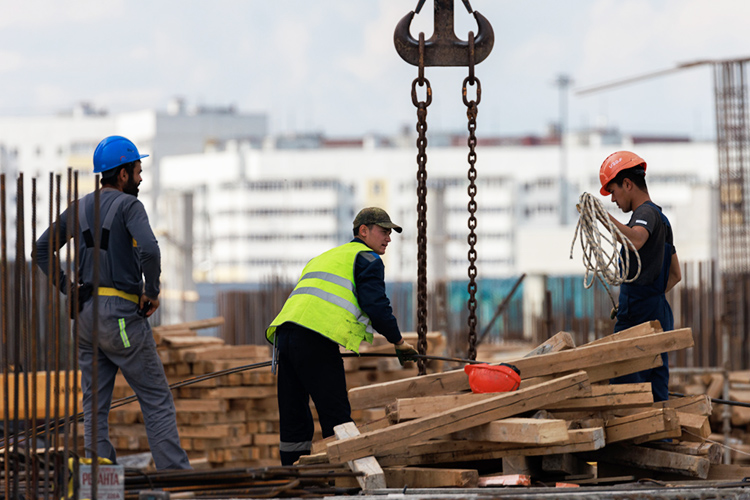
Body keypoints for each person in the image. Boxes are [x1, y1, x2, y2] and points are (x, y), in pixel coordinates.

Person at [35, 135, 191, 470]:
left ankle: (100, 478)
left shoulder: (79, 207)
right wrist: (151, 291)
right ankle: (177, 478)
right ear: (121, 174)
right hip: (120, 315)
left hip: (87, 317)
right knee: (156, 399)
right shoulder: (129, 206)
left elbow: (41, 249)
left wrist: (66, 286)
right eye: (137, 170)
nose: (140, 177)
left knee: (94, 406)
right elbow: (150, 249)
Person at [266, 207, 418, 465]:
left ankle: (293, 479)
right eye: (384, 231)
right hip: (315, 338)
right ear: (363, 231)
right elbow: (376, 306)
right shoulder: (367, 258)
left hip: (285, 336)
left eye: (390, 233)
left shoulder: (325, 257)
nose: (388, 239)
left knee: (294, 417)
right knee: (336, 414)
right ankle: (343, 479)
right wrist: (399, 342)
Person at [598, 150, 681, 402]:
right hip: (657, 311)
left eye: (613, 191)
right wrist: (651, 297)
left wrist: (602, 217)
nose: (612, 199)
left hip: (638, 315)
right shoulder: (663, 221)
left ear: (627, 184)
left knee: (627, 392)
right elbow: (676, 275)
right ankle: (661, 440)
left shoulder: (644, 215)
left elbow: (635, 239)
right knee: (656, 389)